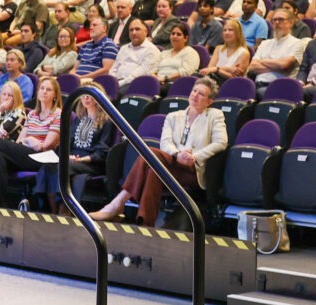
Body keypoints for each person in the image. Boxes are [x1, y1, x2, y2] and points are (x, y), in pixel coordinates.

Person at [93, 77, 228, 225]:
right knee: (153, 170)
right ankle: (145, 223)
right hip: (172, 161)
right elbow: (165, 143)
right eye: (194, 91)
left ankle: (118, 203)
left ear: (209, 101)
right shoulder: (173, 116)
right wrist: (178, 155)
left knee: (151, 155)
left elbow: (221, 142)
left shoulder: (215, 115)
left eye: (201, 94)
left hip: (193, 170)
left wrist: (194, 157)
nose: (195, 95)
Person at [0, 73, 65, 203]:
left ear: (55, 95)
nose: (44, 92)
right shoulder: (33, 115)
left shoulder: (58, 114)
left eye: (49, 90)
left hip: (44, 158)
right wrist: (29, 141)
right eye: (42, 88)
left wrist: (31, 142)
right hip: (27, 153)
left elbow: (46, 146)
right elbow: (20, 141)